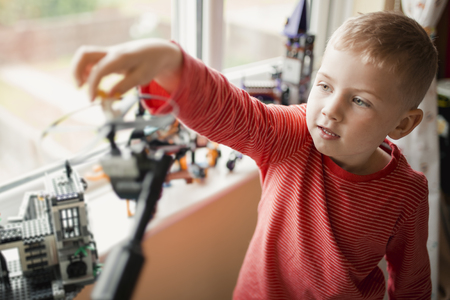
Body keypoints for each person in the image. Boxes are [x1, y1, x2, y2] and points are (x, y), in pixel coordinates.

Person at [72, 10, 437, 300]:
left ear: (403, 124)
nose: (329, 109)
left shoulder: (407, 193)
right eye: (324, 85)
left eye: (359, 100)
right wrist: (169, 63)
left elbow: (413, 282)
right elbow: (233, 112)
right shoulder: (293, 136)